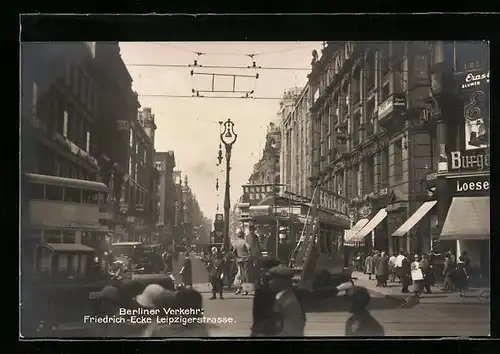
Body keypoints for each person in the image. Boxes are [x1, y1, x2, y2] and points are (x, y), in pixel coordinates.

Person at [267, 266, 306, 337]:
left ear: (282, 282)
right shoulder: (280, 298)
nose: (269, 282)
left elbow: (293, 331)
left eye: (272, 279)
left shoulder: (290, 302)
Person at [233, 230, 250, 295]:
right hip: (245, 260)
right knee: (245, 275)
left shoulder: (236, 243)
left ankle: (238, 289)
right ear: (243, 235)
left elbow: (233, 251)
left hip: (239, 260)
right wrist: (248, 254)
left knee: (240, 274)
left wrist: (237, 257)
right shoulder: (244, 242)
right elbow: (249, 247)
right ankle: (245, 290)